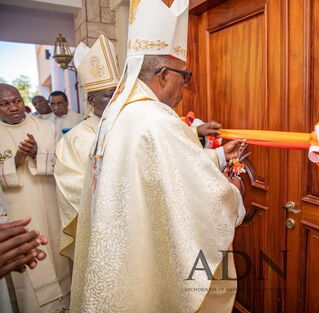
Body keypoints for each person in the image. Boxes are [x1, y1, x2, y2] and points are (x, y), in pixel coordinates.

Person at [70, 0, 246, 312]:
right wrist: (233, 189)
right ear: (164, 75)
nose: (186, 86)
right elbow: (200, 198)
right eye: (185, 76)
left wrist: (217, 156)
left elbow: (159, 169)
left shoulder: (118, 116)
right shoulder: (157, 120)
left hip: (120, 253)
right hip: (142, 253)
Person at [0, 84, 71, 312]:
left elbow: (64, 164)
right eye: (5, 104)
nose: (13, 107)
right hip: (16, 216)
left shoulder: (46, 128)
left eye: (17, 101)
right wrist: (16, 161)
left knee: (56, 257)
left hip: (49, 206)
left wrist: (36, 154)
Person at [54, 35, 121, 261]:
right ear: (91, 101)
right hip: (99, 225)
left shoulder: (127, 126)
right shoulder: (74, 139)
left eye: (117, 96)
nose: (114, 102)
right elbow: (69, 186)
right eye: (107, 96)